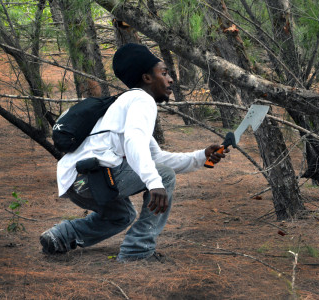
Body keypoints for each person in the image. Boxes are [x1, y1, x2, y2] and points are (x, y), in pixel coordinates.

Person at [40, 43, 228, 262]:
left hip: (75, 182)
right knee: (164, 175)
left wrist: (200, 156)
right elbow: (134, 142)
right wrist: (155, 182)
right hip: (91, 179)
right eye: (164, 73)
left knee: (123, 215)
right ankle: (137, 251)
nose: (170, 80)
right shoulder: (141, 100)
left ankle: (61, 236)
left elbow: (155, 157)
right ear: (147, 78)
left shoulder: (123, 104)